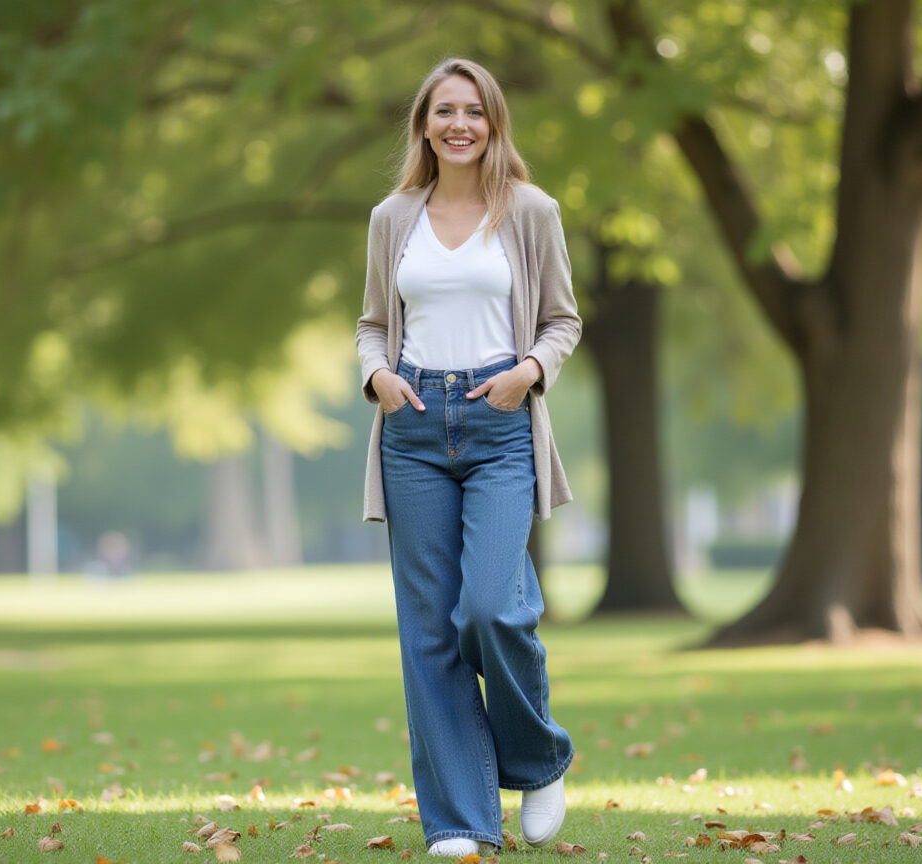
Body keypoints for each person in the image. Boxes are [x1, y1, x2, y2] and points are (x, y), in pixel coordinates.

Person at [356, 57, 581, 858]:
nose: (460, 124)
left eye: (475, 111)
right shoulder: (393, 217)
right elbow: (373, 322)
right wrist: (377, 375)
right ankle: (458, 819)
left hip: (499, 423)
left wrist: (527, 375)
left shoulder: (530, 211)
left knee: (488, 607)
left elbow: (562, 320)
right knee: (429, 633)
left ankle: (538, 755)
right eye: (445, 110)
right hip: (413, 426)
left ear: (494, 124)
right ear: (424, 124)